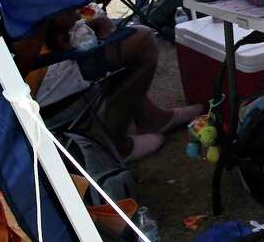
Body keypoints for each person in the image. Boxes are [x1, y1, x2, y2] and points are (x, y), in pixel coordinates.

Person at [13, 10, 201, 162]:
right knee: (142, 40)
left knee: (111, 36)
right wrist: (50, 18)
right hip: (33, 77)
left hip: (48, 49)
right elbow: (17, 61)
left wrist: (85, 23)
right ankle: (118, 144)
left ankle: (152, 117)